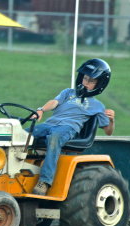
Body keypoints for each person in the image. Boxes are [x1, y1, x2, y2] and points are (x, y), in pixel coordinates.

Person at [31, 58, 115, 195]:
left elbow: (108, 131)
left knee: (54, 138)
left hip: (67, 128)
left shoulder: (98, 106)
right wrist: (41, 109)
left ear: (100, 85)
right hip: (49, 124)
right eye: (85, 78)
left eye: (91, 81)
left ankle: (44, 182)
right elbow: (54, 102)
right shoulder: (68, 92)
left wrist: (111, 121)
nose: (86, 83)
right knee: (19, 134)